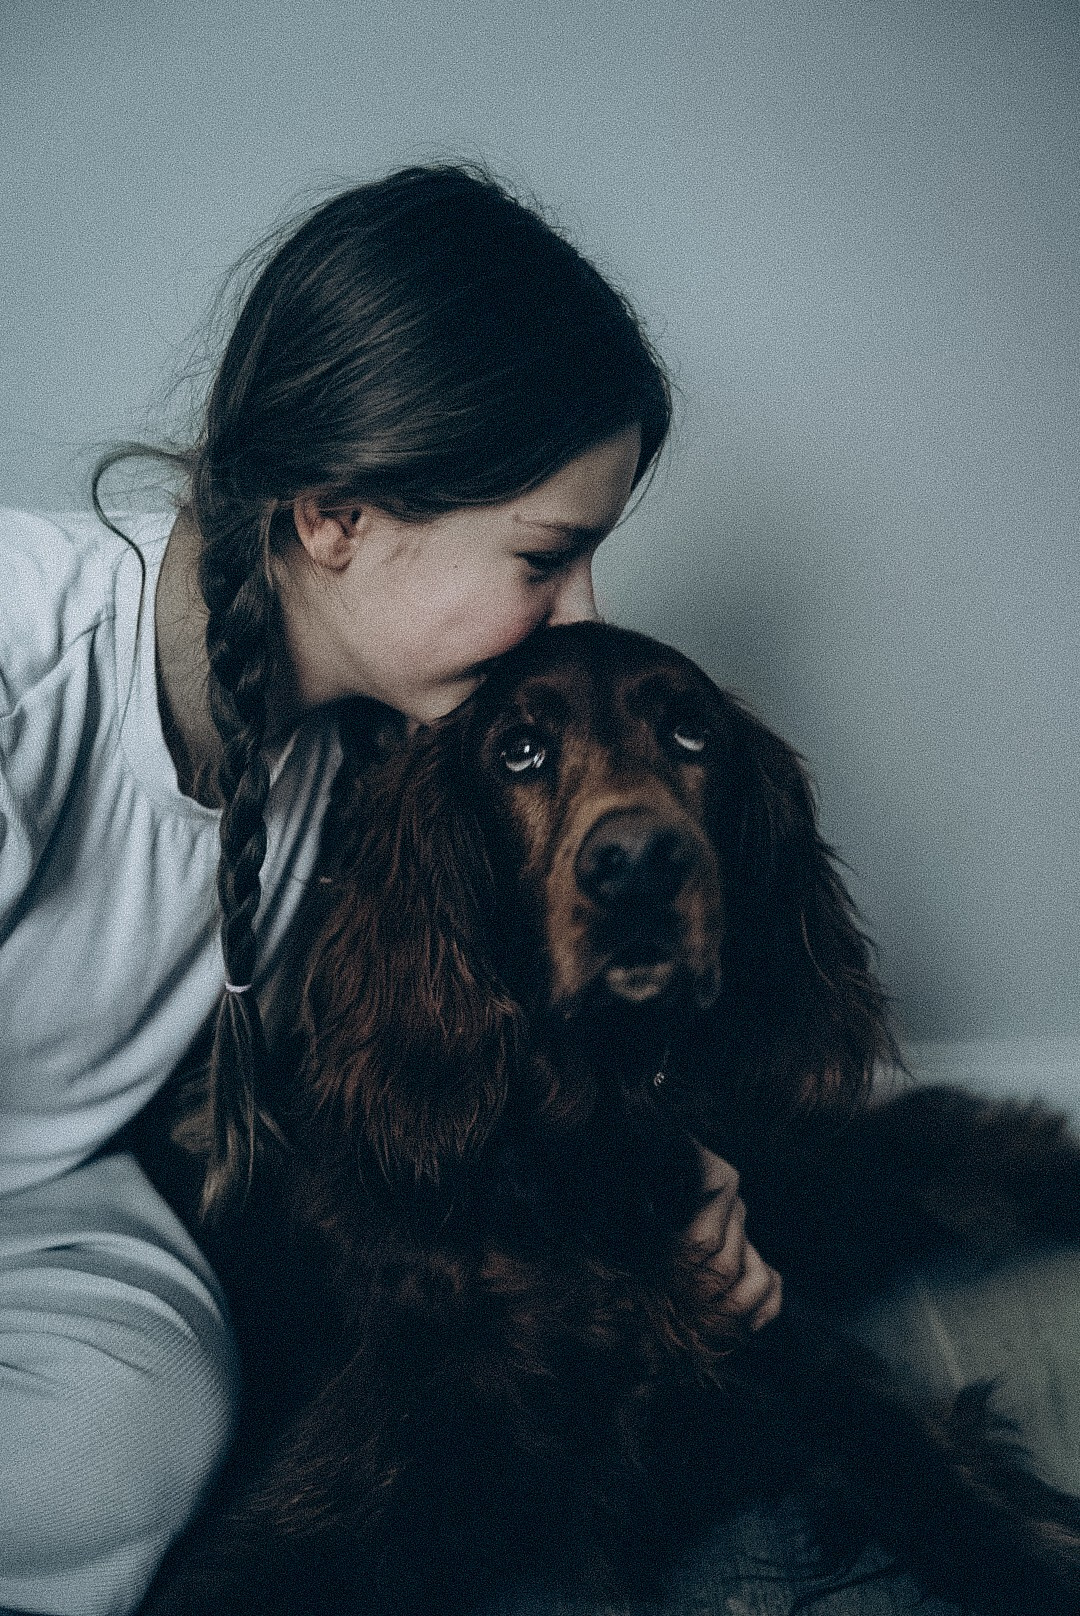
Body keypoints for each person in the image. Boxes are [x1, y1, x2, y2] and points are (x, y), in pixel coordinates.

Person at [0, 163, 1074, 1616]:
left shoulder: (374, 752)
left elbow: (498, 1051)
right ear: (335, 516)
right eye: (546, 558)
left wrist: (673, 1184)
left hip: (52, 1201)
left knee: (133, 1441)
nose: (582, 616)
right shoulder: (21, 661)